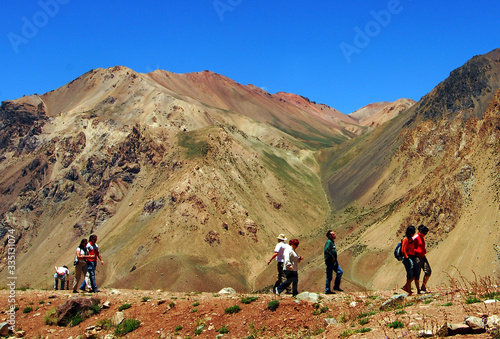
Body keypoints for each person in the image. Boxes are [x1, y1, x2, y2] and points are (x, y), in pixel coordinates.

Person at [413, 225, 432, 293]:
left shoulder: (422, 237)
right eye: (424, 233)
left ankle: (423, 286)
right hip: (417, 257)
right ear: (420, 231)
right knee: (417, 274)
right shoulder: (415, 238)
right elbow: (410, 247)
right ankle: (418, 289)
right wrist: (417, 251)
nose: (425, 234)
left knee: (428, 271)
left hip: (423, 256)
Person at [401, 225, 418, 295]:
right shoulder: (405, 239)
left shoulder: (411, 239)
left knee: (414, 273)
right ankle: (409, 290)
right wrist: (406, 257)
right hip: (407, 258)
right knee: (409, 273)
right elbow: (403, 249)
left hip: (412, 257)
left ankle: (406, 287)